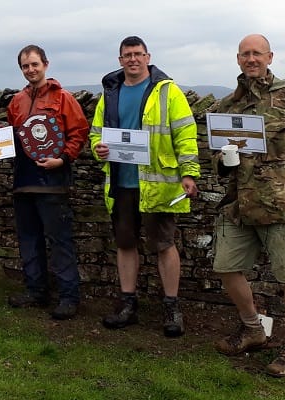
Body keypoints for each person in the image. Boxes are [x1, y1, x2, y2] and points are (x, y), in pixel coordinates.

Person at [212, 34, 285, 377]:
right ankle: (252, 328)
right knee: (225, 266)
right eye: (245, 54)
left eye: (256, 53)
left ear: (269, 57)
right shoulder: (229, 104)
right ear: (237, 59)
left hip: (282, 203)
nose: (251, 59)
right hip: (239, 205)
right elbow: (218, 158)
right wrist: (224, 160)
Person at [90, 36, 199, 337]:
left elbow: (186, 133)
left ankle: (172, 307)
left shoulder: (168, 91)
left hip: (158, 183)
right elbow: (96, 133)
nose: (133, 59)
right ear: (120, 59)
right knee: (125, 244)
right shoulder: (110, 93)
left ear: (148, 57)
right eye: (128, 55)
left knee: (164, 245)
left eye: (138, 54)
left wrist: (189, 173)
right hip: (121, 182)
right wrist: (97, 149)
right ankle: (128, 304)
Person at [0, 44, 89, 320]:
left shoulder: (63, 98)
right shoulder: (16, 101)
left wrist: (64, 159)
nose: (30, 69)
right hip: (23, 181)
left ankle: (69, 296)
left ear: (45, 64)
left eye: (34, 64)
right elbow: (13, 136)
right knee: (29, 240)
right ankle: (36, 291)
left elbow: (79, 132)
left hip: (53, 180)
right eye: (25, 66)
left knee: (59, 241)